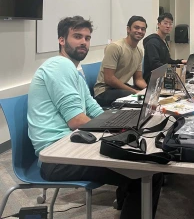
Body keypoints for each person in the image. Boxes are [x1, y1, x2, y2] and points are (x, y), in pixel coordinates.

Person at [27, 16, 163, 219]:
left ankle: (126, 207)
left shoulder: (74, 72)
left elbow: (94, 110)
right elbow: (77, 120)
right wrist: (117, 128)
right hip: (58, 156)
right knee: (146, 171)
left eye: (87, 38)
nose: (84, 42)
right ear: (61, 40)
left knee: (138, 157)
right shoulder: (59, 66)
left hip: (73, 146)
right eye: (77, 36)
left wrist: (123, 124)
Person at [94, 16, 148, 107]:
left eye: (143, 29)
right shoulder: (115, 47)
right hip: (104, 92)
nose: (140, 31)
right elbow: (109, 79)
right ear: (128, 29)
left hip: (121, 89)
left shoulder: (139, 51)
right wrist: (135, 92)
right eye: (136, 27)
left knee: (149, 97)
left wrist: (148, 90)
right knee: (141, 100)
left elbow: (138, 79)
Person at [143, 13, 186, 84]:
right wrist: (173, 69)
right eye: (165, 23)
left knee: (186, 75)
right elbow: (155, 65)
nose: (168, 26)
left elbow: (167, 61)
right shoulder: (152, 42)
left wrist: (180, 62)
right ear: (159, 24)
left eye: (170, 24)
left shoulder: (163, 41)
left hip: (163, 75)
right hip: (153, 79)